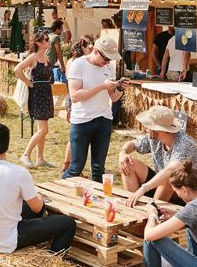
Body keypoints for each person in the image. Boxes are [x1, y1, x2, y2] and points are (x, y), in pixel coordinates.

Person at [0, 120, 76, 254]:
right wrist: (40, 197)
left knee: (25, 206)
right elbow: (37, 208)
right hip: (4, 240)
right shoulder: (18, 172)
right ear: (7, 144)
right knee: (68, 223)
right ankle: (52, 260)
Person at [62, 36, 129, 182]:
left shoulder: (109, 67)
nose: (107, 63)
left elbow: (113, 98)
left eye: (110, 60)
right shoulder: (78, 64)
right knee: (76, 168)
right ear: (96, 51)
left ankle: (96, 199)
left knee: (99, 169)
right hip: (82, 121)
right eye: (105, 59)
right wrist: (102, 86)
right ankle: (57, 195)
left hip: (104, 120)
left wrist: (120, 89)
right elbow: (74, 96)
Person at [121, 106, 197, 207]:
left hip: (184, 195)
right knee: (128, 164)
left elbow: (171, 170)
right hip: (161, 188)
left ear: (159, 129)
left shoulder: (184, 144)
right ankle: (135, 206)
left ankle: (152, 214)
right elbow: (132, 144)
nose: (144, 128)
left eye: (148, 125)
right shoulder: (153, 138)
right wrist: (123, 153)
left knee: (169, 178)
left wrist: (143, 188)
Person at [15, 32, 55, 168]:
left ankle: (40, 158)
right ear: (39, 43)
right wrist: (28, 82)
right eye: (46, 39)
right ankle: (25, 155)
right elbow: (17, 69)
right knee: (43, 130)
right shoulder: (33, 57)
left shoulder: (46, 57)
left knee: (41, 129)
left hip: (46, 94)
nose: (48, 41)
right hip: (37, 95)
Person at [62, 37, 93, 171]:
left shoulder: (70, 60)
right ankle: (68, 163)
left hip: (69, 97)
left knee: (74, 135)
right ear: (83, 48)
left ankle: (67, 163)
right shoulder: (80, 63)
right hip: (76, 98)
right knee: (75, 136)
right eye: (88, 47)